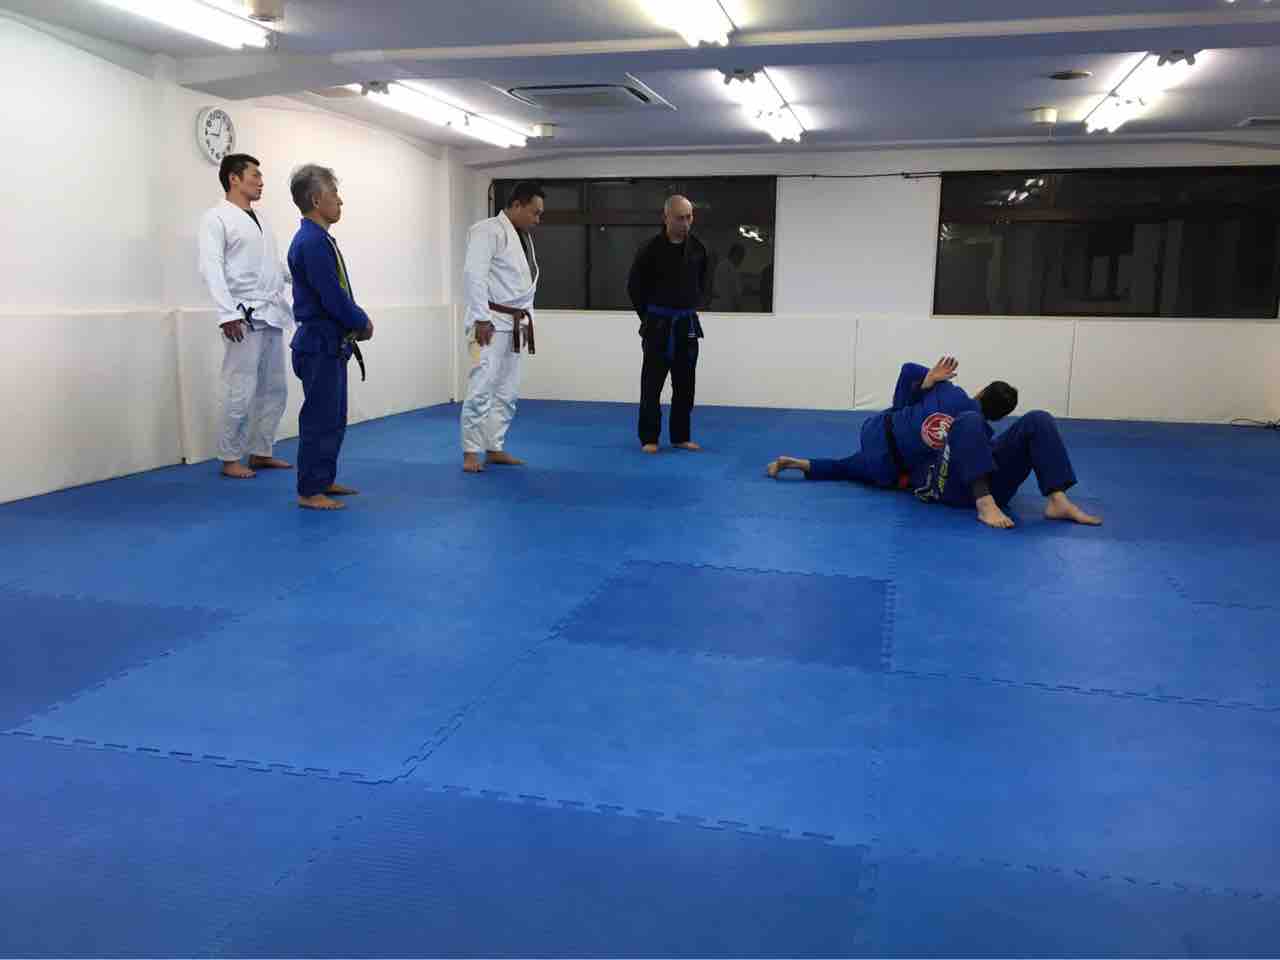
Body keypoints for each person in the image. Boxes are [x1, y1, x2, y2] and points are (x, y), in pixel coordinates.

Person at [197, 153, 293, 479]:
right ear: (234, 178)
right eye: (255, 176)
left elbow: (272, 265)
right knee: (239, 387)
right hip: (242, 314)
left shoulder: (261, 219)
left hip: (272, 312)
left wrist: (300, 276)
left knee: (274, 388)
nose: (261, 182)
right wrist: (226, 313)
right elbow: (211, 266)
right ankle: (230, 457)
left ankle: (261, 451)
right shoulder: (216, 218)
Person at [286, 164, 372, 511]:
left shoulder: (320, 239)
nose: (340, 200)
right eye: (334, 194)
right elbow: (331, 297)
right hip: (318, 343)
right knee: (319, 418)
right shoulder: (311, 242)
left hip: (331, 343)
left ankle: (323, 478)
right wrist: (361, 321)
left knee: (334, 417)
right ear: (316, 200)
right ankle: (309, 490)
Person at [768, 357, 998, 488]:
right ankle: (799, 464)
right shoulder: (981, 435)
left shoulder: (947, 389)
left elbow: (908, 369)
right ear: (997, 417)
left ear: (982, 391)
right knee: (845, 468)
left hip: (876, 429)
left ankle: (796, 462)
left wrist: (927, 381)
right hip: (888, 467)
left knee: (906, 410)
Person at [460, 181, 544, 473]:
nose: (537, 219)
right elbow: (474, 275)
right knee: (481, 386)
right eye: (534, 212)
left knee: (508, 390)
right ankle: (471, 451)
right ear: (516, 205)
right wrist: (481, 318)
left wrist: (526, 320)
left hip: (515, 323)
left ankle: (494, 446)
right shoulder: (486, 230)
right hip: (490, 324)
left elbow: (519, 286)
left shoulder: (521, 236)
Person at [913, 409, 1102, 529]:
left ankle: (1058, 500)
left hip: (987, 476)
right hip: (949, 484)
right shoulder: (905, 418)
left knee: (1038, 419)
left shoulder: (954, 397)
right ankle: (984, 503)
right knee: (968, 418)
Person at [627, 195, 710, 454]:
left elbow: (703, 283)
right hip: (657, 325)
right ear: (666, 218)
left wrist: (692, 305)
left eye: (689, 217)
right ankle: (649, 437)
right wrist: (650, 318)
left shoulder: (698, 248)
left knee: (685, 385)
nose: (686, 223)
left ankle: (680, 436)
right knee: (652, 384)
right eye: (680, 218)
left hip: (686, 324)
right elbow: (634, 287)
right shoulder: (649, 249)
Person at [710, 242, 745, 311]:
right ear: (735, 254)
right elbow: (735, 291)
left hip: (720, 304)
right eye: (740, 256)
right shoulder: (729, 268)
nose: (741, 260)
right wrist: (738, 306)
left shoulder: (723, 265)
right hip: (724, 305)